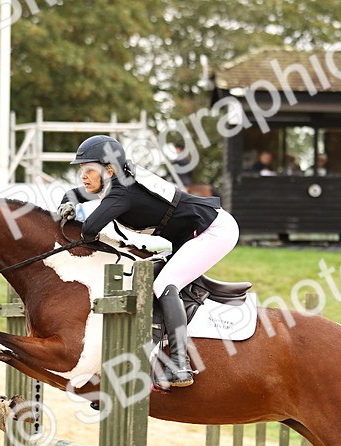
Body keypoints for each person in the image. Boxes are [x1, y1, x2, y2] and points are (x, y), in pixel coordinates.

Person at [58, 135, 239, 388]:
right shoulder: (119, 180)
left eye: (89, 169)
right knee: (150, 277)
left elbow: (89, 230)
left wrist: (71, 213)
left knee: (165, 283)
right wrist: (67, 203)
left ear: (109, 170)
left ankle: (180, 363)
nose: (83, 176)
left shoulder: (122, 192)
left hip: (214, 230)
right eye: (81, 170)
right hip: (192, 234)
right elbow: (74, 193)